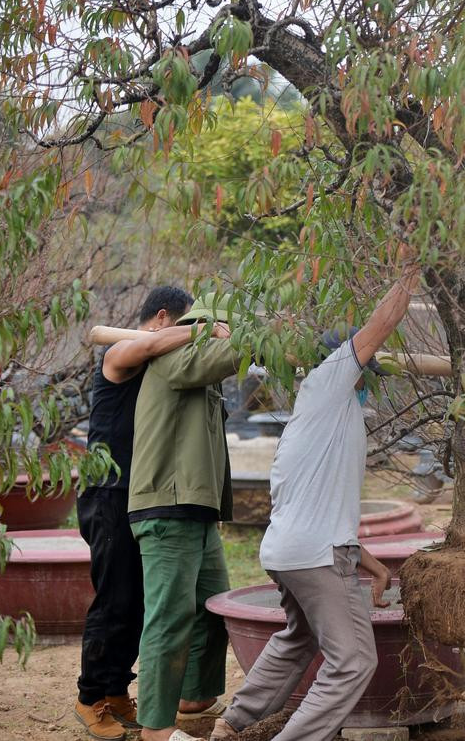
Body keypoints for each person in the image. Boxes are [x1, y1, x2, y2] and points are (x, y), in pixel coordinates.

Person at [211, 271, 418, 741]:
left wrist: (376, 568)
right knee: (355, 662)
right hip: (315, 557)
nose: (371, 381)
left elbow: (322, 516)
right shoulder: (329, 382)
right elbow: (382, 323)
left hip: (291, 551)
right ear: (350, 363)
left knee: (298, 636)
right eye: (367, 368)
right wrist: (410, 268)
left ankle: (233, 722)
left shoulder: (317, 417)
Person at [76, 286, 215, 741]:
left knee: (137, 601)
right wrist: (208, 329)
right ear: (161, 317)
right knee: (114, 600)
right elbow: (153, 344)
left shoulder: (156, 361)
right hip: (108, 492)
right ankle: (89, 697)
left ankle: (117, 691)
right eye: (182, 324)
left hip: (136, 494)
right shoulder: (120, 351)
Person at [129, 294, 246, 741]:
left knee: (215, 607)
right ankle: (155, 728)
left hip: (195, 510)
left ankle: (193, 699)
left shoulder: (204, 372)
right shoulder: (174, 355)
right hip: (166, 506)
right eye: (218, 325)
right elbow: (217, 355)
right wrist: (258, 339)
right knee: (169, 619)